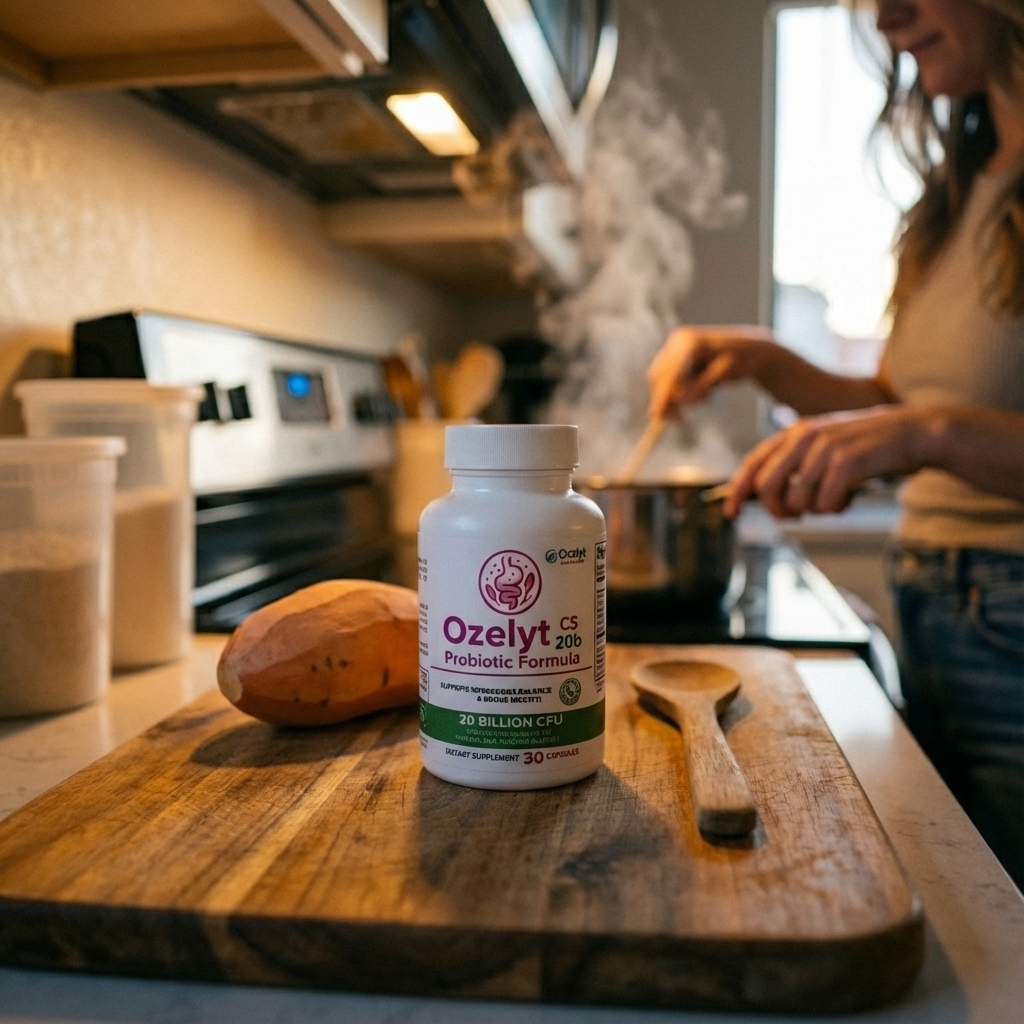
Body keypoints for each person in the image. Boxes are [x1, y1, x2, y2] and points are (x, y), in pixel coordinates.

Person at [647, 0, 1024, 888]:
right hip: (935, 602)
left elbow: (926, 424)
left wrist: (923, 432)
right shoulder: (958, 191)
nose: (887, 18)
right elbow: (908, 403)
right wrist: (767, 361)